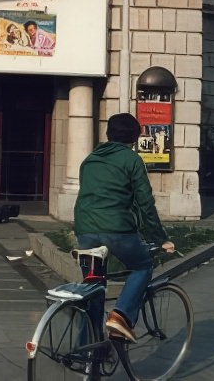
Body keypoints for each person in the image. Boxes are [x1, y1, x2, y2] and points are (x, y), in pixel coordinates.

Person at [74, 112, 175, 343]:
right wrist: (160, 238)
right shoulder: (132, 160)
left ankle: (86, 349)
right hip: (117, 229)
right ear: (134, 138)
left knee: (93, 287)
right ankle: (121, 315)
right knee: (142, 266)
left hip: (85, 229)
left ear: (108, 134)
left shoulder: (89, 160)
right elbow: (145, 203)